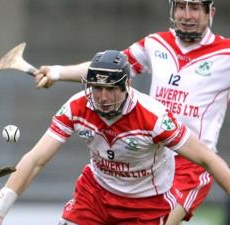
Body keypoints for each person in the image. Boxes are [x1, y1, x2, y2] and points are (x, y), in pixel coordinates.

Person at [0, 50, 230, 225]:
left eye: (111, 89)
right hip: (95, 195)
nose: (103, 97)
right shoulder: (77, 107)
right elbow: (35, 160)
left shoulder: (154, 118)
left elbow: (207, 159)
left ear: (126, 86)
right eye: (97, 88)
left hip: (145, 206)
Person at [33, 0, 230, 224]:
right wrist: (57, 73)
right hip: (152, 157)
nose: (186, 15)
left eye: (194, 7)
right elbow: (107, 70)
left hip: (191, 165)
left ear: (210, 12)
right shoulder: (155, 43)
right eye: (180, 7)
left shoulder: (226, 54)